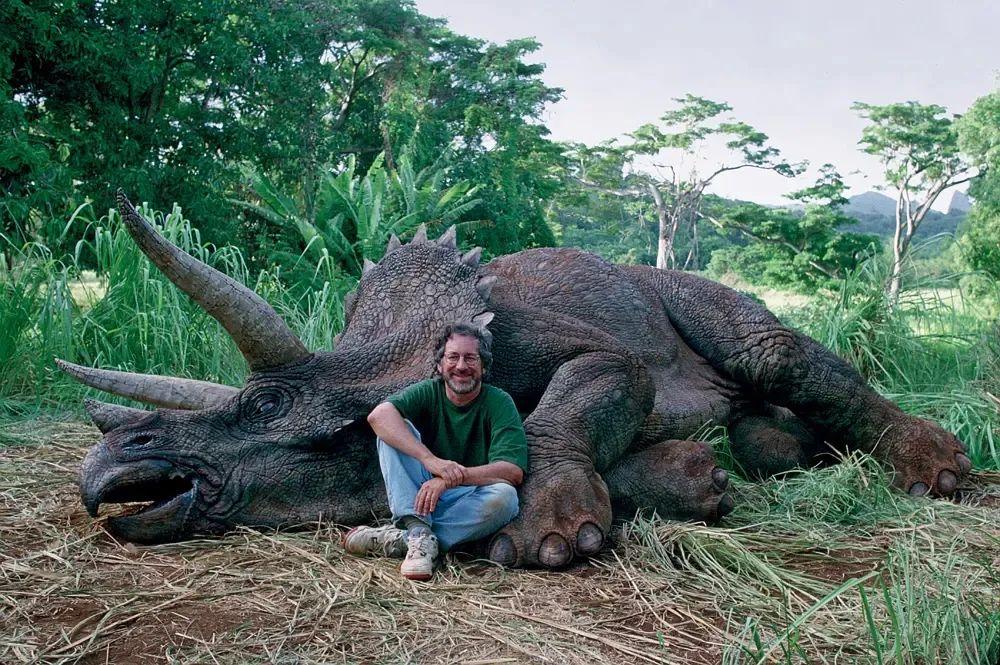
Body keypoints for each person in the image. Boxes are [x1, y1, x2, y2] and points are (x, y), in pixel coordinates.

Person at [343, 322, 527, 580]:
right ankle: (419, 530)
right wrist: (431, 461)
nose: (461, 366)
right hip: (421, 495)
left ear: (483, 366)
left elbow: (513, 471)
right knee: (393, 433)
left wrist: (452, 477)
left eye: (470, 358)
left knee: (507, 499)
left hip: (467, 498)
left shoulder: (499, 402)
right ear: (440, 365)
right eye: (453, 357)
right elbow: (379, 417)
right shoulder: (428, 392)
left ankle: (405, 540)